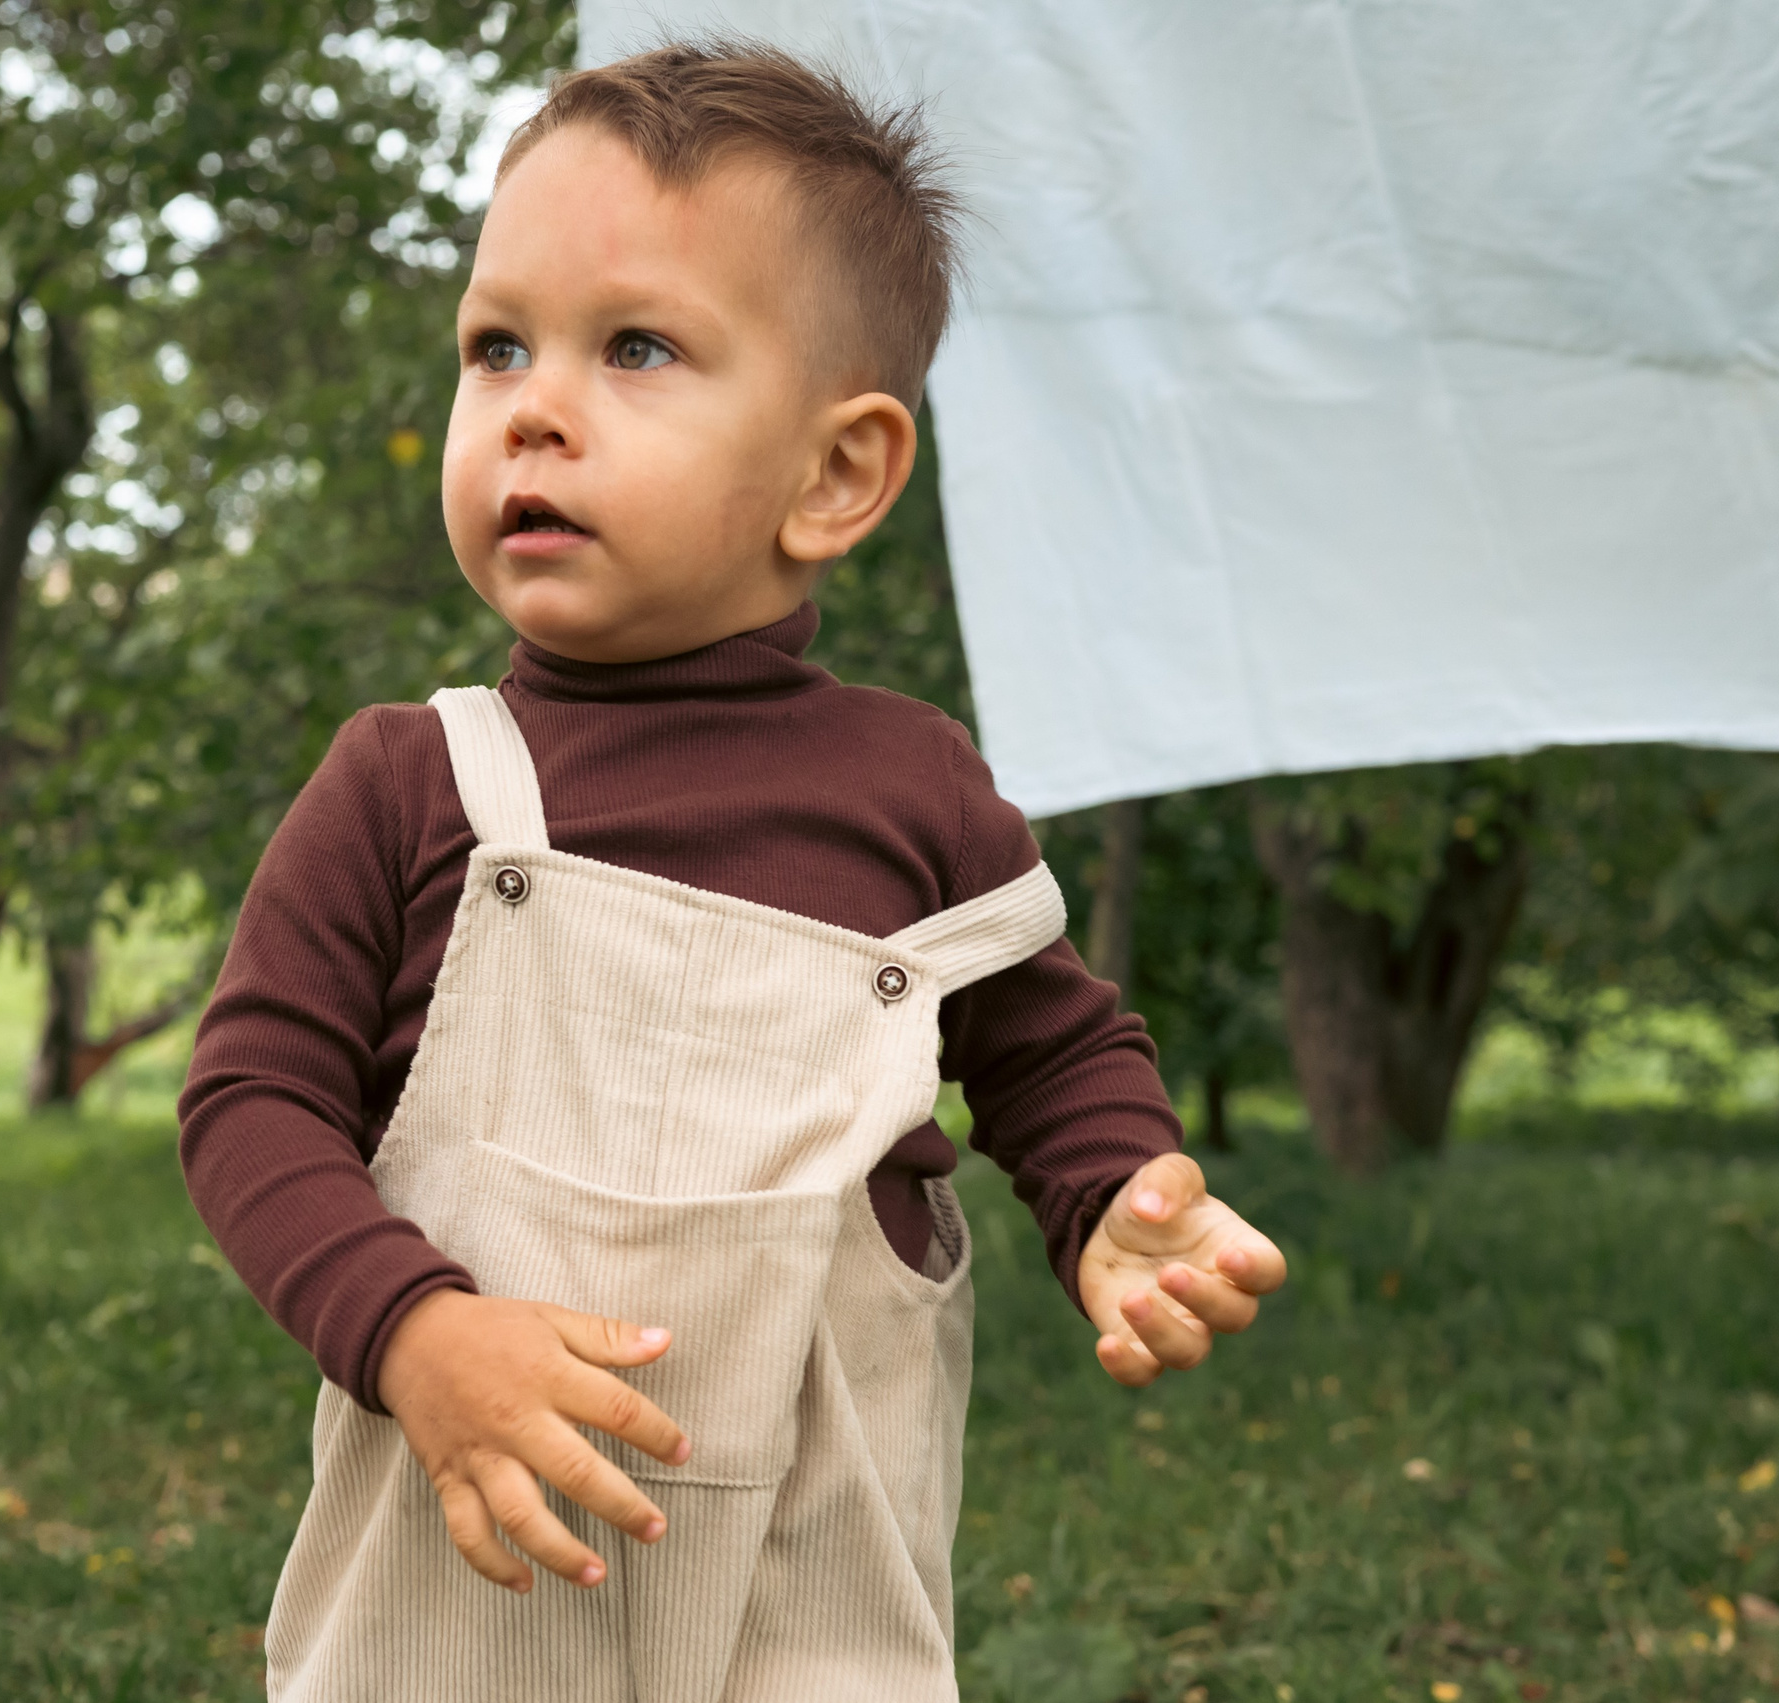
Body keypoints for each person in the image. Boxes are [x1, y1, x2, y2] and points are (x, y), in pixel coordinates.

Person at [178, 39, 1288, 1703]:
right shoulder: (413, 784)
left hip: (811, 1570)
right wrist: (411, 1329)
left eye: (636, 348)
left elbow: (1050, 1050)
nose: (533, 406)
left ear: (836, 475)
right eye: (496, 346)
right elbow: (251, 1100)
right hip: (466, 1566)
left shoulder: (913, 793)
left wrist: (1114, 1197)